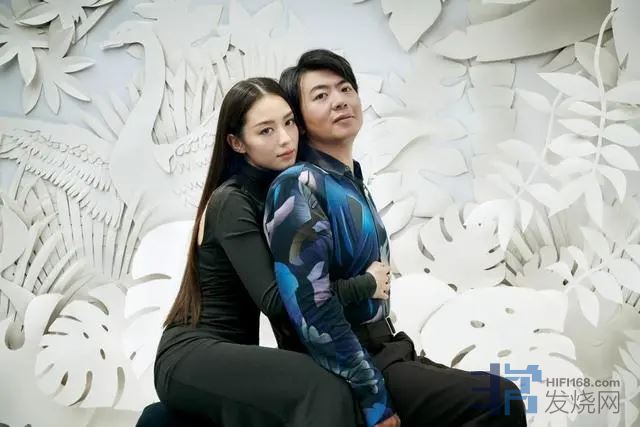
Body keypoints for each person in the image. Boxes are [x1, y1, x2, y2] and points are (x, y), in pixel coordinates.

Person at [264, 50, 529, 427]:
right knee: (499, 400)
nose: (339, 100)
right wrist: (373, 397)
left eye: (345, 88)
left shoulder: (349, 180)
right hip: (351, 363)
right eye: (320, 95)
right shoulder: (299, 184)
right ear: (300, 122)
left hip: (389, 347)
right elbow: (310, 306)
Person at [149, 77, 392, 427]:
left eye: (289, 122)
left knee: (329, 381)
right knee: (322, 388)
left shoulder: (286, 193)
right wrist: (365, 284)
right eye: (266, 130)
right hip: (191, 357)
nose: (285, 139)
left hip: (233, 356)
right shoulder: (231, 201)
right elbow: (278, 301)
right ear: (236, 142)